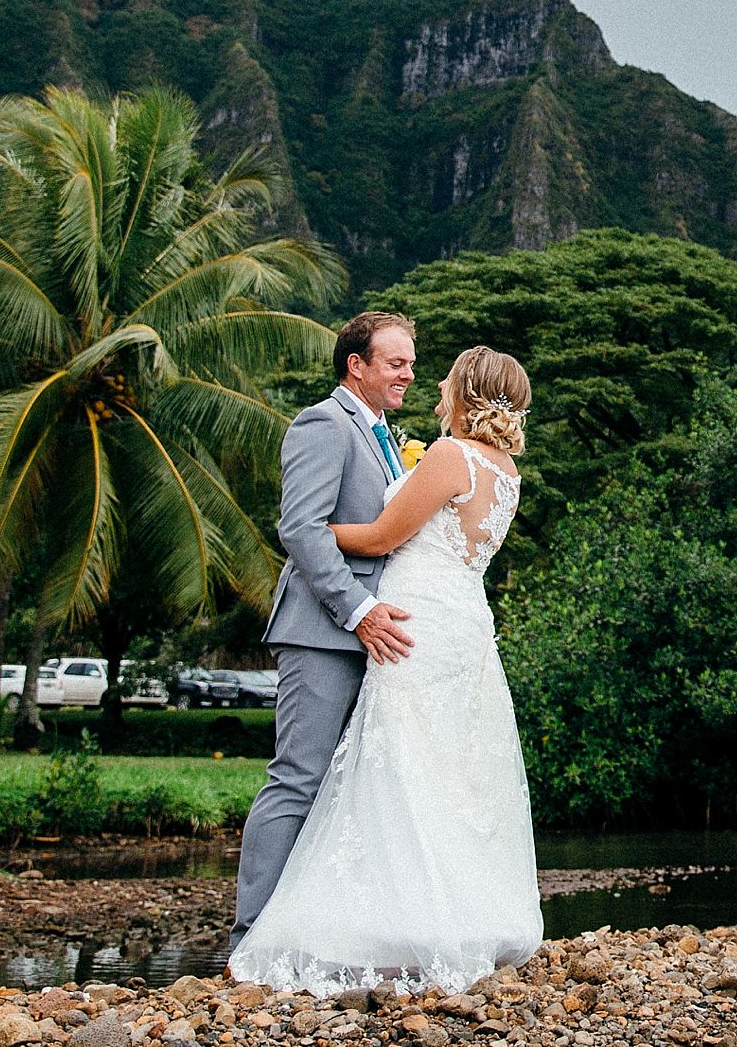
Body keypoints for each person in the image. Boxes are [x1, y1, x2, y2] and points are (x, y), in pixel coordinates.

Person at [230, 345, 546, 993]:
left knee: (400, 770)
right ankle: (439, 921)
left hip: (415, 626)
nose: (431, 380)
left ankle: (386, 928)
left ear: (468, 391)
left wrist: (313, 528)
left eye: (444, 376)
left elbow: (378, 537)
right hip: (464, 626)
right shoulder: (507, 468)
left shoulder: (450, 455)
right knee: (445, 776)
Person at [234, 309, 422, 949]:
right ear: (358, 366)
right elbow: (302, 529)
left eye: (410, 363)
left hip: (372, 639)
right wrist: (359, 609)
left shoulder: (381, 433)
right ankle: (250, 937)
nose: (408, 374)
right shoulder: (323, 422)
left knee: (350, 783)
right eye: (396, 363)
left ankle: (314, 933)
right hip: (323, 630)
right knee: (299, 777)